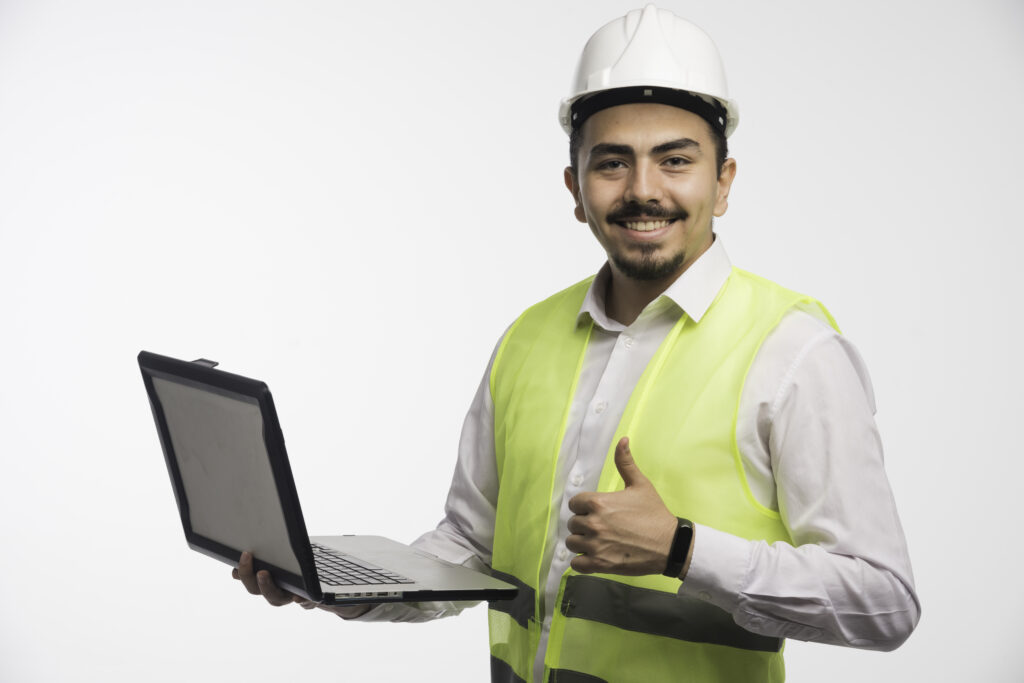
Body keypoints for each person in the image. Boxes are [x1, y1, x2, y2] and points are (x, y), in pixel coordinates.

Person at [234, 5, 920, 681]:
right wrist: (339, 586)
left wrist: (681, 548)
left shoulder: (794, 352)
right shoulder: (526, 340)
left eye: (675, 160)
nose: (643, 191)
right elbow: (470, 547)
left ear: (724, 181)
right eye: (612, 163)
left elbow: (884, 601)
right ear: (575, 188)